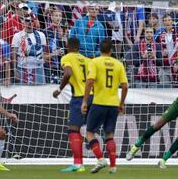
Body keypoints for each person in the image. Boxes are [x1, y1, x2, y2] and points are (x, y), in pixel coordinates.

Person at [81, 39, 128, 174]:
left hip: (99, 102)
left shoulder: (95, 62)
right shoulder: (118, 64)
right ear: (111, 51)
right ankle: (113, 166)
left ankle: (101, 159)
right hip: (113, 104)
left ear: (99, 50)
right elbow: (125, 86)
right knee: (109, 135)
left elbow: (90, 81)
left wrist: (84, 101)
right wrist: (122, 103)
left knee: (89, 132)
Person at [52, 37, 92, 172]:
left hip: (79, 97)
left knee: (73, 129)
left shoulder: (67, 57)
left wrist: (59, 89)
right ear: (79, 47)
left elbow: (68, 73)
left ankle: (78, 164)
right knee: (90, 130)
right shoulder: (87, 60)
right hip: (92, 96)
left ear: (68, 46)